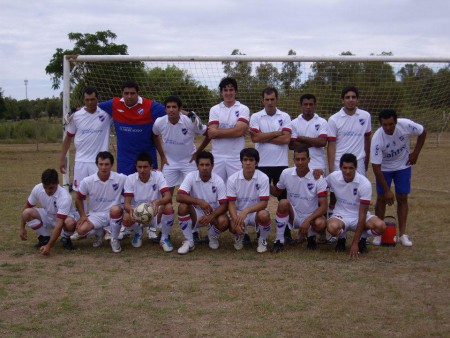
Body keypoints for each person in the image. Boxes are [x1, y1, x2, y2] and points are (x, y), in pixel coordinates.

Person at [370, 109, 427, 247]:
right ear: (381, 124)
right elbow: (376, 168)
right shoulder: (377, 138)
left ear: (396, 121)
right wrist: (387, 190)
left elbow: (423, 131)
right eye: (385, 125)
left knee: (402, 197)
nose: (388, 128)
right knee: (382, 198)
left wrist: (415, 154)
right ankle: (378, 233)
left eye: (391, 124)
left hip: (403, 166)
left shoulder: (406, 125)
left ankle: (403, 235)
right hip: (384, 169)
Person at [98, 80, 166, 175]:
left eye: (132, 93)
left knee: (148, 188)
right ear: (122, 93)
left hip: (146, 157)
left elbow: (172, 111)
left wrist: (189, 115)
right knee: (126, 188)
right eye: (126, 93)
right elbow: (92, 106)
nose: (129, 96)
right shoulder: (114, 104)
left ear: (138, 93)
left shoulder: (150, 106)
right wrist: (75, 111)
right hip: (125, 159)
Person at [326, 153, 386, 257]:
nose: (347, 171)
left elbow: (362, 215)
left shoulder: (364, 183)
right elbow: (320, 185)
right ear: (340, 167)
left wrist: (355, 243)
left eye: (351, 168)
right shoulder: (333, 177)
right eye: (344, 168)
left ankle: (362, 239)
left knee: (381, 226)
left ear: (356, 168)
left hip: (359, 216)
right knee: (332, 227)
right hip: (341, 215)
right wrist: (318, 173)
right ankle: (342, 238)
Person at [271, 147, 328, 252]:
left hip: (311, 217)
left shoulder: (318, 177)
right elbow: (277, 192)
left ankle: (311, 237)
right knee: (283, 203)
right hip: (294, 215)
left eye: (303, 159)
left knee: (321, 223)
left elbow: (324, 206)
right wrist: (265, 183)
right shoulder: (286, 173)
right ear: (293, 160)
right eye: (297, 159)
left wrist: (308, 220)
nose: (300, 162)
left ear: (309, 160)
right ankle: (279, 241)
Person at [153, 95, 210, 195]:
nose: (171, 110)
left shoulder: (191, 121)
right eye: (168, 107)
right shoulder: (159, 122)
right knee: (166, 197)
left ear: (179, 109)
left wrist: (197, 153)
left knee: (191, 195)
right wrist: (162, 156)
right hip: (169, 163)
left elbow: (208, 134)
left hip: (189, 162)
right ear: (165, 109)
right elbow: (154, 135)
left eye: (174, 107)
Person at [176, 151, 229, 254]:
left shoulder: (218, 181)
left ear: (212, 166)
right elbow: (179, 196)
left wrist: (212, 216)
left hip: (213, 214)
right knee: (182, 207)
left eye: (207, 165)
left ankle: (212, 236)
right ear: (197, 166)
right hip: (196, 214)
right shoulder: (191, 176)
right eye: (202, 165)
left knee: (224, 221)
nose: (204, 168)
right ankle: (189, 241)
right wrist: (199, 201)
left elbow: (224, 205)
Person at [59, 87, 111, 191]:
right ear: (84, 100)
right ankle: (79, 209)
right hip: (80, 161)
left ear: (97, 99)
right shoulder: (76, 116)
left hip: (99, 162)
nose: (90, 102)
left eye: (92, 99)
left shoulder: (106, 114)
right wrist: (62, 159)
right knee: (79, 192)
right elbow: (68, 137)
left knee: (99, 192)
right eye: (87, 100)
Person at [74, 151, 127, 253]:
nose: (103, 167)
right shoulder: (87, 181)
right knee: (81, 230)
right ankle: (100, 232)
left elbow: (135, 180)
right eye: (101, 164)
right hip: (96, 215)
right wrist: (82, 216)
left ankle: (114, 239)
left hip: (113, 213)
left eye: (106, 164)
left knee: (116, 209)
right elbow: (78, 199)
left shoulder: (120, 178)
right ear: (96, 165)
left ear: (111, 165)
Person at [123, 152, 174, 252]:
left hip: (155, 212)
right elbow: (126, 204)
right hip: (137, 214)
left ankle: (164, 238)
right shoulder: (130, 179)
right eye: (139, 167)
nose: (142, 170)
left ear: (151, 166)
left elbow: (168, 196)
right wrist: (131, 210)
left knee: (168, 207)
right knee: (125, 217)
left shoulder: (158, 176)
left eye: (145, 167)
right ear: (136, 167)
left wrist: (158, 203)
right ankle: (138, 233)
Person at [19, 169, 78, 255]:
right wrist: (22, 228)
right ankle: (45, 237)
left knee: (70, 223)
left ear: (57, 183)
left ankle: (65, 238)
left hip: (64, 219)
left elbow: (59, 225)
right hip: (48, 215)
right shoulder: (37, 188)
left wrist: (49, 246)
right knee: (26, 213)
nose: (48, 190)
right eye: (45, 187)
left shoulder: (64, 197)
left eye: (51, 187)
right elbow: (27, 206)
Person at [249, 87, 291, 198]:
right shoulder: (255, 116)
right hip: (262, 163)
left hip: (281, 164)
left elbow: (286, 139)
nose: (270, 102)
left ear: (277, 99)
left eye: (272, 99)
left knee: (284, 198)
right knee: (260, 199)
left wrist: (262, 136)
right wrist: (276, 133)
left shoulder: (285, 116)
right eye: (267, 99)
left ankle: (284, 216)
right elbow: (255, 138)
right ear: (262, 100)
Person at [227, 148, 271, 253]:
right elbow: (231, 204)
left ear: (256, 163)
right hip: (239, 212)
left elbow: (264, 203)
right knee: (233, 225)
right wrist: (235, 221)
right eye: (245, 160)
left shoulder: (263, 178)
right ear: (241, 162)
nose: (248, 163)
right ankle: (239, 237)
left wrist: (246, 211)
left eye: (251, 160)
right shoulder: (232, 179)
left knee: (264, 215)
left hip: (255, 212)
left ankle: (262, 239)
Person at [208, 77, 250, 183]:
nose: (228, 93)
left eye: (231, 90)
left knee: (236, 189)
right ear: (221, 93)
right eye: (225, 90)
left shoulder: (243, 108)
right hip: (217, 156)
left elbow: (239, 131)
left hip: (236, 157)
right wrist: (234, 130)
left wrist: (218, 131)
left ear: (236, 91)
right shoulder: (214, 109)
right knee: (218, 189)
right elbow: (211, 133)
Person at [327, 86, 372, 176]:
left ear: (357, 100)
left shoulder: (366, 116)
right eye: (347, 97)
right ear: (342, 100)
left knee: (359, 189)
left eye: (353, 97)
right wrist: (331, 169)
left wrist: (366, 162)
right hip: (339, 162)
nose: (351, 100)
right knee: (339, 189)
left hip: (358, 162)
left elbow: (367, 140)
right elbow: (331, 145)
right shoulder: (333, 119)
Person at [289, 94, 328, 179]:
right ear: (301, 105)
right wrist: (314, 142)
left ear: (315, 106)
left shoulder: (322, 122)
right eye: (305, 104)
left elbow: (322, 142)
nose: (308, 107)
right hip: (300, 164)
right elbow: (292, 145)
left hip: (318, 165)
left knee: (320, 191)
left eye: (311, 104)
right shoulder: (294, 123)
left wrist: (302, 138)